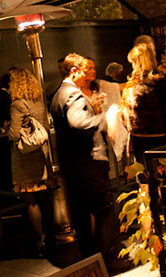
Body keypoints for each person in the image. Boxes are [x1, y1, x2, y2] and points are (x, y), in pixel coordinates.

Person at [50, 53, 125, 271]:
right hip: (88, 164)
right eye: (84, 71)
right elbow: (79, 123)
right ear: (74, 72)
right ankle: (108, 259)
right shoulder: (73, 94)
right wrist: (106, 117)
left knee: (81, 214)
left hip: (73, 166)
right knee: (103, 209)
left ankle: (90, 261)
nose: (88, 76)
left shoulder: (59, 94)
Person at [6, 67, 55, 259]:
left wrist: (8, 128)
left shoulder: (17, 104)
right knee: (45, 199)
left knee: (31, 201)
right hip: (42, 154)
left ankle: (39, 242)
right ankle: (52, 238)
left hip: (26, 158)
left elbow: (14, 134)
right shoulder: (38, 100)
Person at [121, 44, 166, 163]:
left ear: (136, 63)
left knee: (148, 177)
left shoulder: (133, 88)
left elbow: (127, 119)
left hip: (144, 143)